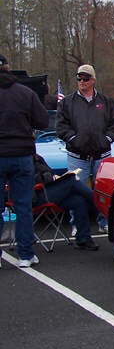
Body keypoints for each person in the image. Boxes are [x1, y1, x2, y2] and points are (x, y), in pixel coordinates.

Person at [56, 64, 114, 232]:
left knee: (103, 190)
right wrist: (74, 139)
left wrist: (107, 139)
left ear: (93, 80)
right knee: (76, 190)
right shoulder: (67, 102)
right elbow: (61, 127)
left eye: (85, 79)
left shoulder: (106, 102)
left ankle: (104, 222)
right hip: (77, 156)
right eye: (79, 78)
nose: (82, 82)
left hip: (102, 155)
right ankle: (77, 224)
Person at [0, 53, 50, 268]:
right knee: (23, 207)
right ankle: (25, 255)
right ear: (8, 68)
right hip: (21, 154)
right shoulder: (25, 92)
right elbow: (43, 120)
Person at [33, 154, 99, 251]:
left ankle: (83, 239)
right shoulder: (22, 159)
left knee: (78, 201)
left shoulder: (36, 157)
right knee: (72, 180)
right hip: (35, 196)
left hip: (47, 191)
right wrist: (47, 177)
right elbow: (29, 180)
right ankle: (99, 202)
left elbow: (48, 172)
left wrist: (54, 177)